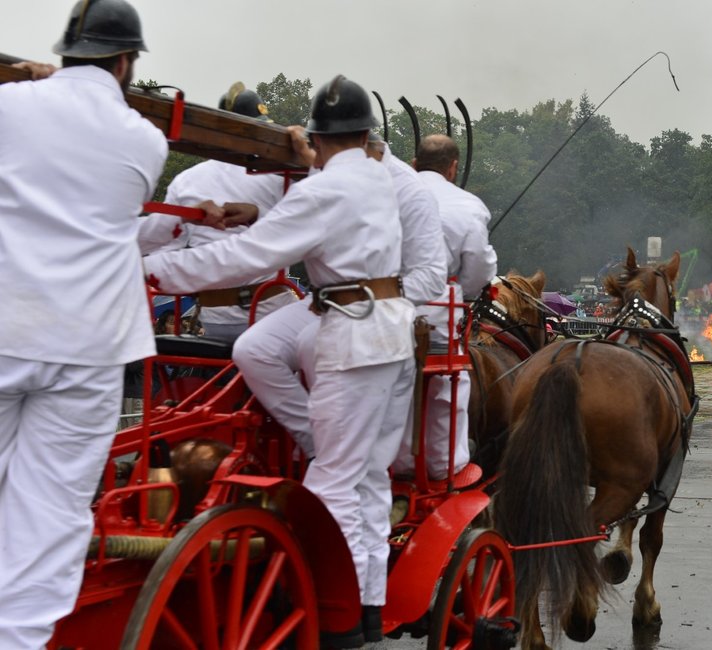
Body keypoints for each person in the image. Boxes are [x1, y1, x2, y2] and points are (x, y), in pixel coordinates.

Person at [142, 74, 414, 648]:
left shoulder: (324, 190)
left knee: (333, 481)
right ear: (365, 134)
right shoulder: (372, 176)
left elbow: (247, 258)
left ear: (316, 137)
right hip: (387, 333)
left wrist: (152, 272)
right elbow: (310, 213)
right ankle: (366, 605)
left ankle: (332, 615)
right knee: (365, 479)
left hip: (353, 332)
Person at [0, 2, 168, 646]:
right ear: (126, 63)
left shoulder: (12, 103)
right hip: (90, 344)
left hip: (9, 323)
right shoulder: (145, 139)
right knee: (51, 516)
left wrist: (26, 83)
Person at [231, 134, 447, 461]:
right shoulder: (328, 176)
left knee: (312, 342)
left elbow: (431, 277)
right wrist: (258, 215)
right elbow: (304, 229)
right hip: (319, 302)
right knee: (252, 350)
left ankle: (346, 455)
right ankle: (318, 444)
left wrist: (364, 297)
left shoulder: (411, 192)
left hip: (380, 310)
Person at [140, 82, 297, 342]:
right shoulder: (281, 176)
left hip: (215, 315)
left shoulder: (186, 180)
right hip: (269, 312)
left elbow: (165, 246)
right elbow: (300, 233)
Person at [389, 134, 497, 479]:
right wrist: (458, 291)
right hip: (435, 318)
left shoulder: (388, 193)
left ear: (414, 163)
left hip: (377, 312)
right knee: (452, 386)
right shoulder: (469, 206)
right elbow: (479, 271)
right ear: (452, 168)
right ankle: (446, 463)